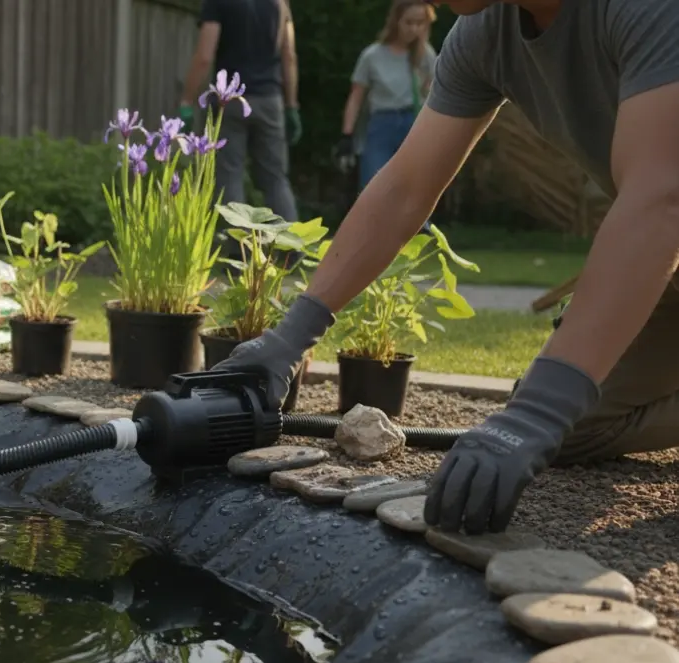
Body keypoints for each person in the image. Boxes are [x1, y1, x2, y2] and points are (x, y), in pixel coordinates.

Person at [211, 0, 679, 537]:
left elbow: (660, 198)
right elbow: (404, 189)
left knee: (547, 409)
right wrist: (291, 336)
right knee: (571, 428)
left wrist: (539, 409)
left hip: (665, 227)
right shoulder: (484, 33)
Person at [178, 0, 301, 222]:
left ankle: (236, 247)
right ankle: (291, 249)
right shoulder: (278, 4)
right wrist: (291, 106)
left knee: (229, 175)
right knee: (275, 179)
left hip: (230, 102)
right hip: (270, 101)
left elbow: (205, 57)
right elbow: (289, 55)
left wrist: (187, 101)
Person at [338, 0, 438, 191]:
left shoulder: (425, 55)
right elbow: (356, 97)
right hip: (382, 125)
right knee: (374, 188)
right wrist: (347, 134)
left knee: (414, 191)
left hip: (414, 125)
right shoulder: (372, 55)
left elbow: (433, 95)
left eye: (420, 23)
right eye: (408, 22)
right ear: (396, 21)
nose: (413, 29)